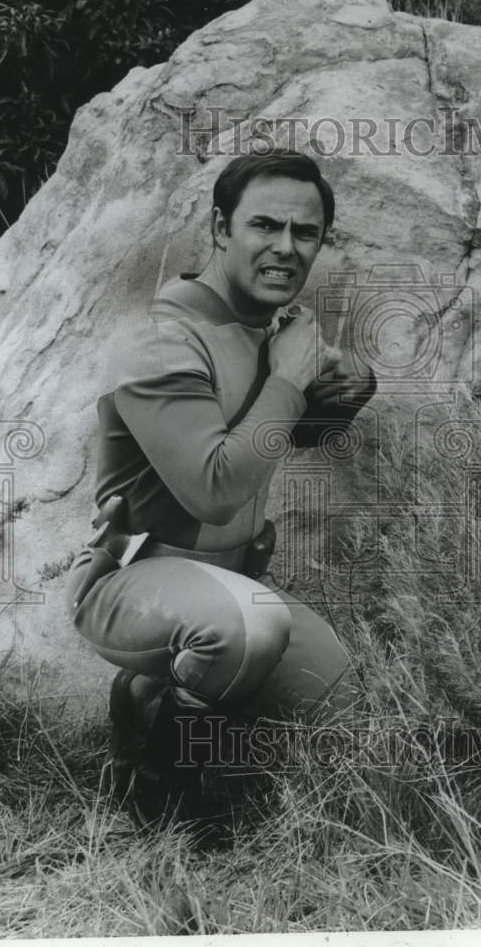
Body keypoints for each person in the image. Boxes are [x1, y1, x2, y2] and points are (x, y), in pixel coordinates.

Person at [65, 150, 376, 826]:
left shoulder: (266, 329)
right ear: (219, 227)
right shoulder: (159, 337)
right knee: (247, 628)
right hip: (133, 583)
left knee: (337, 696)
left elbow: (273, 433)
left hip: (228, 585)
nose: (286, 248)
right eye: (265, 225)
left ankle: (165, 697)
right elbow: (214, 487)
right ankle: (157, 800)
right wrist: (290, 380)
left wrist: (341, 395)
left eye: (306, 233)